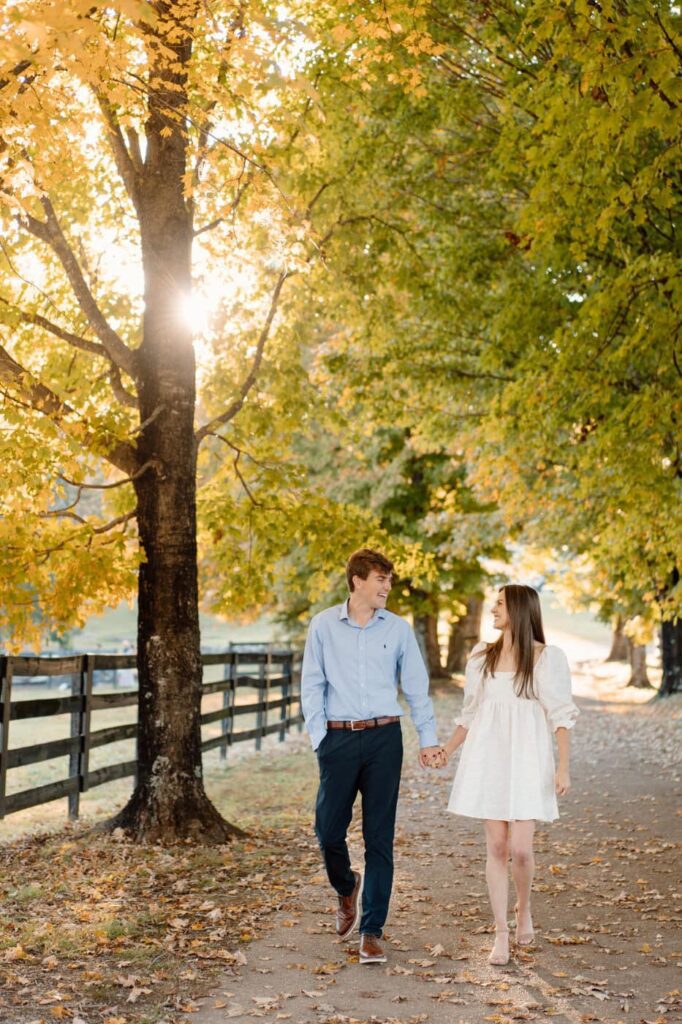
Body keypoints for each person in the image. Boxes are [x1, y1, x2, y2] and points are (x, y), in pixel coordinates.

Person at [301, 548, 446, 965]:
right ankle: (346, 887)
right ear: (357, 580)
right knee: (328, 831)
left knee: (379, 837)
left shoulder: (398, 629)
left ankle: (371, 931)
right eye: (380, 579)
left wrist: (428, 739)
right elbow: (311, 685)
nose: (387, 587)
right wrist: (319, 740)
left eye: (389, 579)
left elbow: (417, 688)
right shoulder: (324, 626)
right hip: (338, 740)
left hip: (385, 739)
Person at [441, 584, 579, 966]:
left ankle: (524, 908)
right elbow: (470, 714)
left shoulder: (546, 658)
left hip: (528, 760)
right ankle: (501, 932)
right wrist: (447, 751)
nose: (493, 610)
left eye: (499, 604)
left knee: (521, 849)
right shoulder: (481, 656)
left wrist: (563, 767)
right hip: (490, 758)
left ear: (518, 609)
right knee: (497, 848)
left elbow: (561, 716)